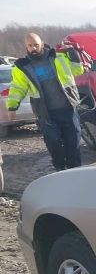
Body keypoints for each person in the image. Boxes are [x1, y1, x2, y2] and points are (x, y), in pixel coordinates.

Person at [5, 33, 86, 171]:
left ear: (42, 44)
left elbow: (78, 70)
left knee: (73, 142)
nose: (33, 48)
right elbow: (18, 88)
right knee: (53, 142)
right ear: (26, 47)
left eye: (36, 44)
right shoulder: (22, 67)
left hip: (68, 108)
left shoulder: (59, 57)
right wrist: (12, 107)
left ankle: (75, 170)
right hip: (46, 113)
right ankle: (60, 168)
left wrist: (73, 53)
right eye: (30, 45)